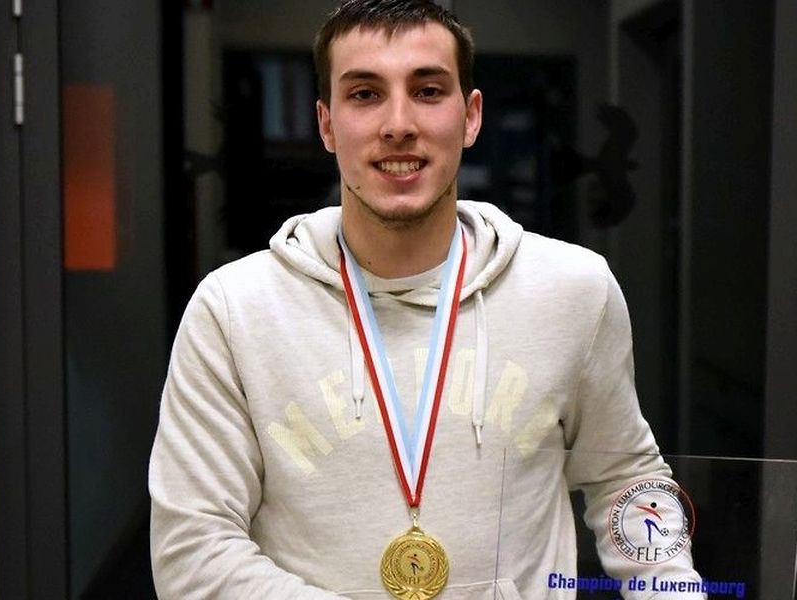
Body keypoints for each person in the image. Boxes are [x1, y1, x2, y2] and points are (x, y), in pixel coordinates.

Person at [149, 1, 702, 598]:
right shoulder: (234, 310)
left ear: (471, 116)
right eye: (365, 94)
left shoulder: (574, 290)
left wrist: (673, 590)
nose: (398, 123)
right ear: (327, 124)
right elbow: (193, 551)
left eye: (428, 91)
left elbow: (627, 479)